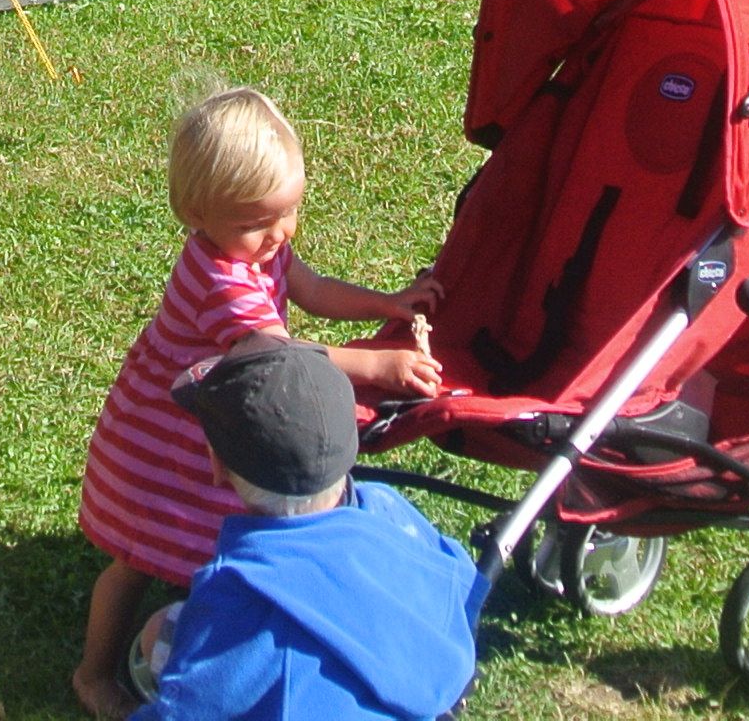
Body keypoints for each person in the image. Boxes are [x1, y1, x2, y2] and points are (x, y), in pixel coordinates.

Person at [74, 87, 441, 721]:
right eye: (256, 223)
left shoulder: (256, 248)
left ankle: (203, 639)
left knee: (207, 541)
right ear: (195, 213)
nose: (278, 235)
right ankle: (94, 672)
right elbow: (282, 360)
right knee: (134, 556)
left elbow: (312, 288)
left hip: (215, 424)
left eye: (289, 213)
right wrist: (378, 364)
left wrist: (384, 303)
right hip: (167, 439)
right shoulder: (218, 281)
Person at [146, 338, 484, 721]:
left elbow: (189, 710)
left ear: (217, 464)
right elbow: (463, 588)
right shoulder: (387, 508)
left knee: (157, 633)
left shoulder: (238, 607)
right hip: (425, 694)